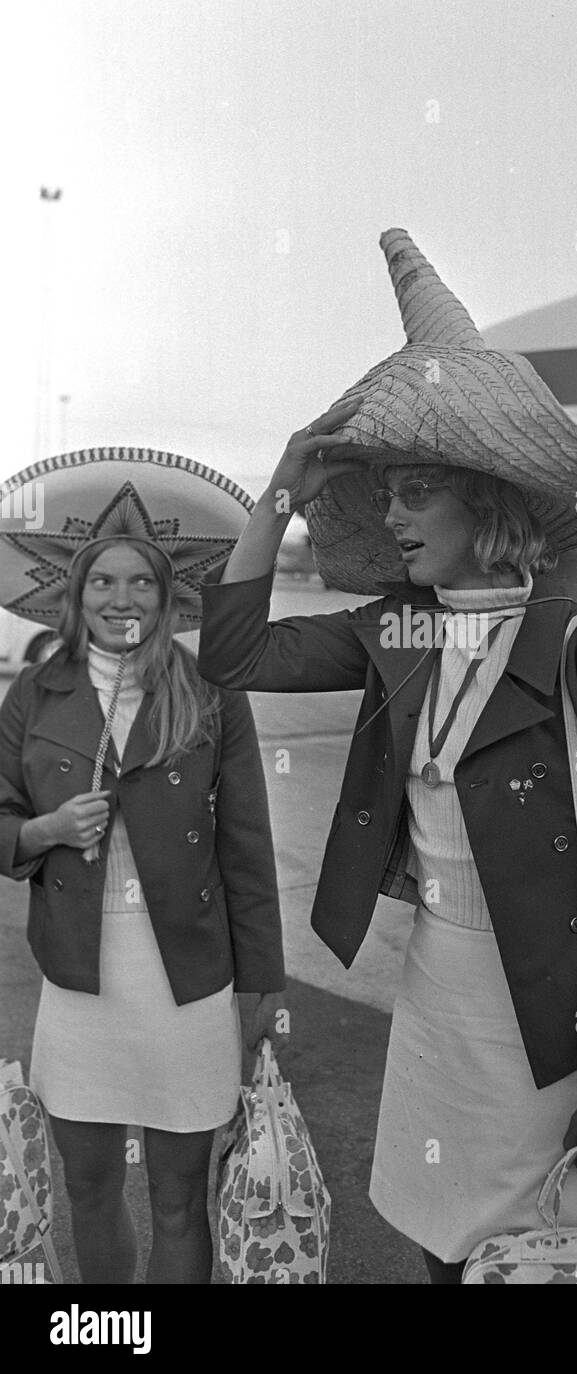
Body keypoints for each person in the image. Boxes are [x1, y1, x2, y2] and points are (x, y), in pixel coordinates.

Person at [197, 230, 577, 1283]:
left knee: (538, 1252)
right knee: (435, 1245)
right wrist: (283, 479)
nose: (391, 511)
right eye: (389, 490)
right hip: (433, 1003)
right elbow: (230, 654)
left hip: (554, 1021)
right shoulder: (391, 632)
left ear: (486, 498)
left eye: (417, 489)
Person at [0, 449, 287, 1285]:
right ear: (74, 593)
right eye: (102, 583)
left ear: (169, 599)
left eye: (142, 584)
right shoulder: (35, 695)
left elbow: (247, 846)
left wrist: (262, 984)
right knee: (87, 1190)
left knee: (177, 1197)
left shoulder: (210, 692)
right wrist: (45, 828)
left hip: (187, 984)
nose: (120, 600)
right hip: (80, 982)